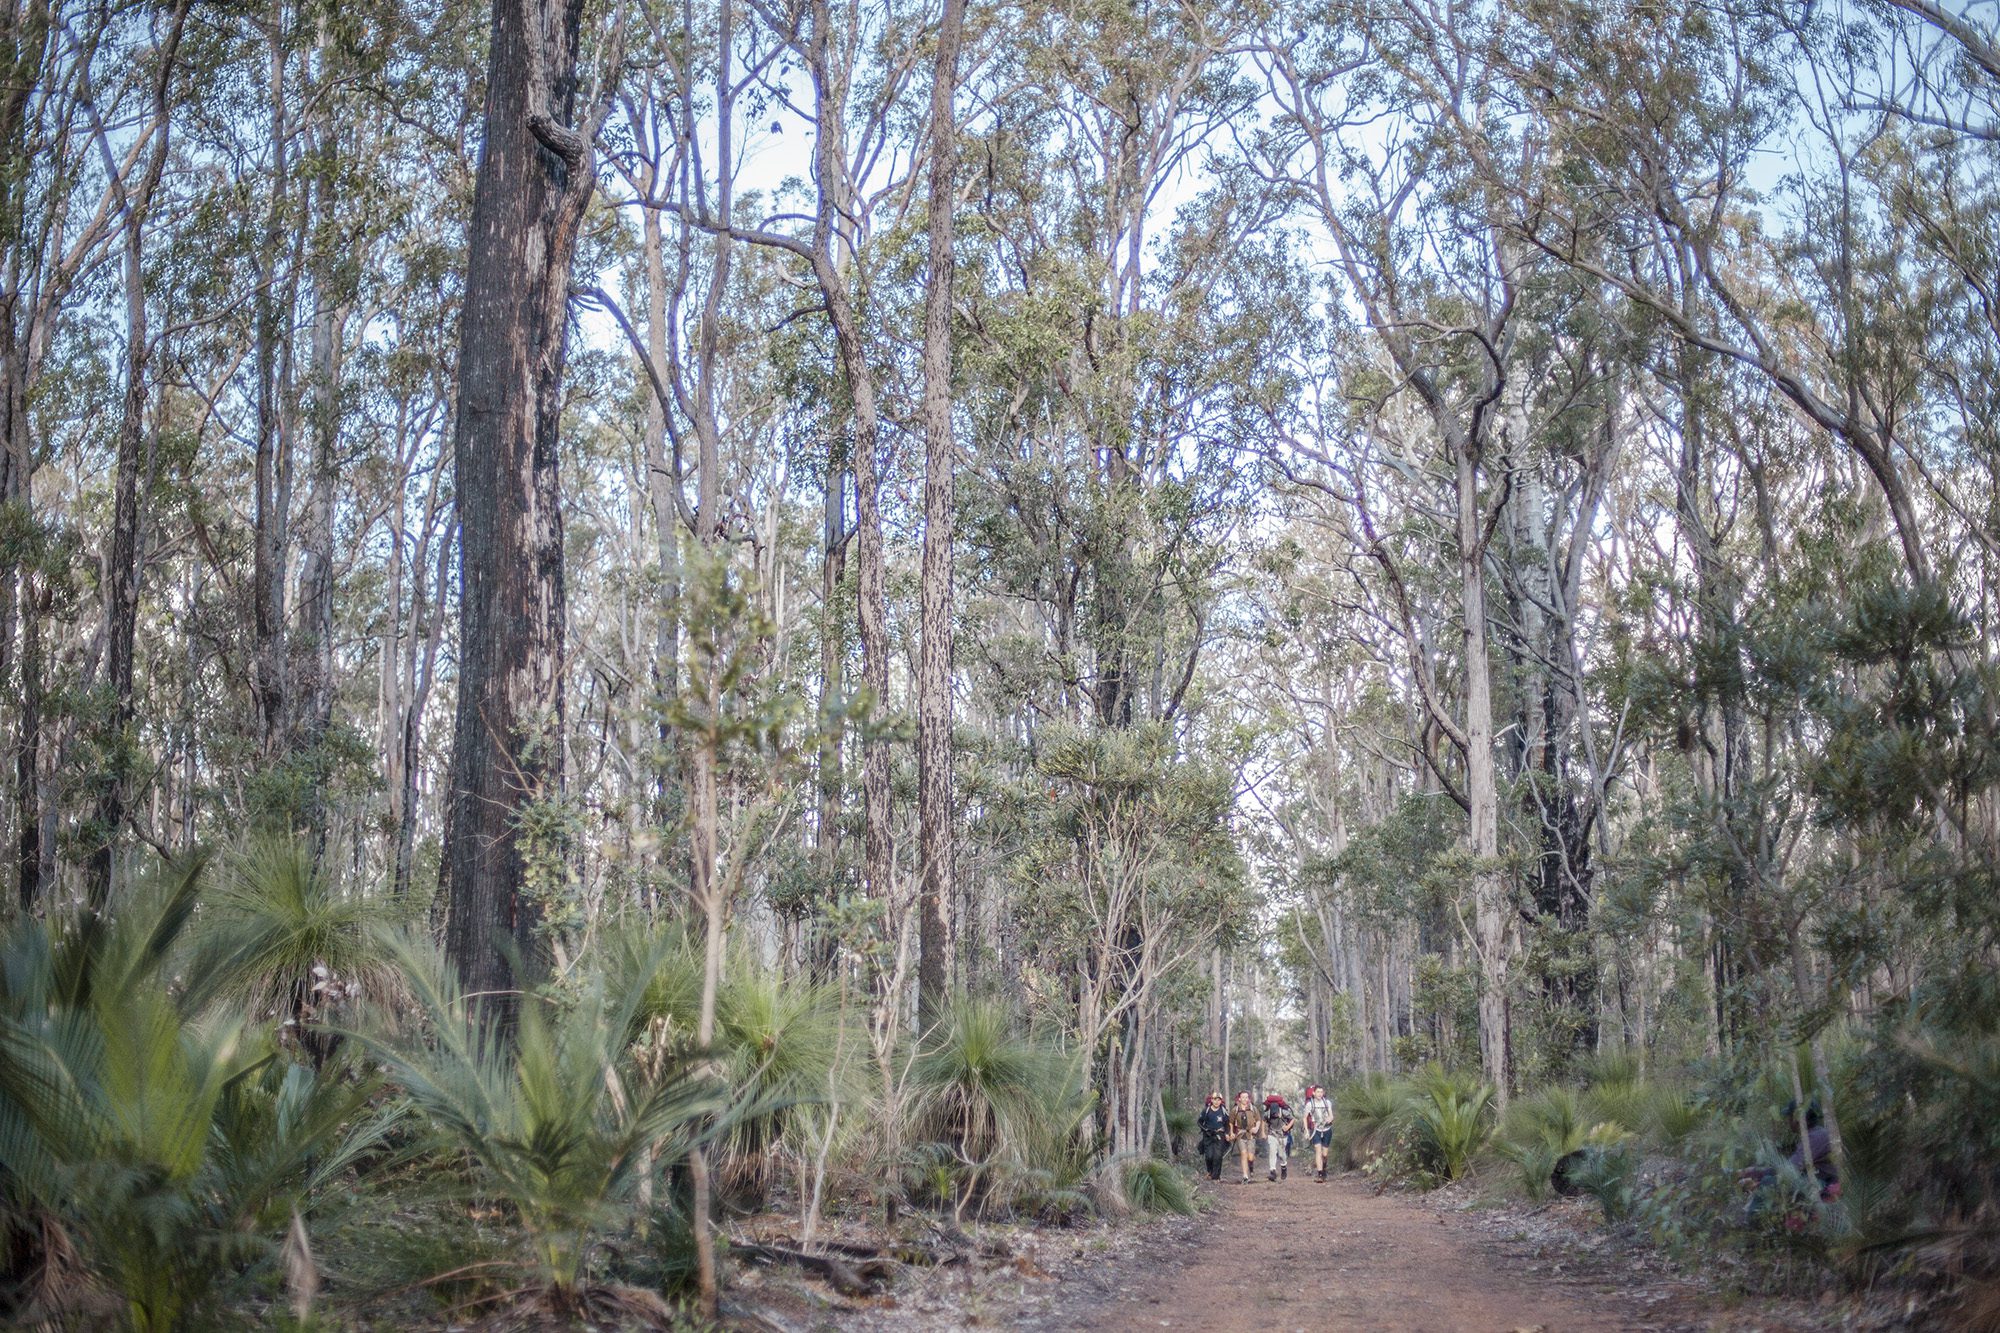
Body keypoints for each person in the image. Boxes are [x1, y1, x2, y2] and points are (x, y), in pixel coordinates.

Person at [1739, 1099, 1841, 1209]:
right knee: (1769, 1180)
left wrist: (1755, 1174)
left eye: (1790, 1117)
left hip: (1824, 1185)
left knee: (1768, 1182)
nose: (1788, 1121)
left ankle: (1752, 1221)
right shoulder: (1816, 1134)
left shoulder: (1814, 1138)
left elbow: (1789, 1170)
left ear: (1797, 1119)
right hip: (1819, 1181)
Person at [1227, 1091, 1263, 1183]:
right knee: (1243, 1154)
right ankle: (1245, 1176)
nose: (1245, 1099)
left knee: (1250, 1157)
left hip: (1251, 1135)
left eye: (1246, 1097)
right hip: (1240, 1134)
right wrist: (1231, 1132)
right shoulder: (1235, 1110)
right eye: (1243, 1097)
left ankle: (1251, 1165)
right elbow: (1231, 1122)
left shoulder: (1253, 1108)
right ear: (1239, 1098)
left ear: (1249, 1098)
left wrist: (1256, 1128)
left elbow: (1259, 1120)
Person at [1302, 1083, 1335, 1182]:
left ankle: (1324, 1169)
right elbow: (1304, 1118)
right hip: (1316, 1130)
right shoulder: (1310, 1104)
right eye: (1318, 1092)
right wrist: (1307, 1131)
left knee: (1325, 1154)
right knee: (1318, 1151)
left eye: (1321, 1092)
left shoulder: (1327, 1102)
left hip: (1327, 1130)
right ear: (1313, 1093)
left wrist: (1330, 1118)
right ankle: (1320, 1174)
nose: (1320, 1094)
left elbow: (1331, 1115)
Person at [1196, 1092, 1231, 1182]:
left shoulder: (1223, 1111)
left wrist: (1227, 1133)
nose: (1216, 1102)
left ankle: (1216, 1177)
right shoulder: (1206, 1110)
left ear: (1221, 1101)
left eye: (1218, 1100)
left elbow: (1227, 1123)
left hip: (1220, 1135)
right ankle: (1210, 1172)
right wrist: (1206, 1130)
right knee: (1209, 1156)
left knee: (1218, 1156)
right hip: (1208, 1136)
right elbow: (1199, 1122)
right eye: (1215, 1099)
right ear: (1211, 1100)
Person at [1262, 1092, 1294, 1181]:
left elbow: (1292, 1119)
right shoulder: (1267, 1113)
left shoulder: (1284, 1112)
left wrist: (1287, 1127)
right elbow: (1263, 1121)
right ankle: (1272, 1171)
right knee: (1272, 1151)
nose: (1274, 1114)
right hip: (1272, 1134)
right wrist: (1264, 1133)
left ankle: (1283, 1166)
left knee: (1281, 1154)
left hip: (1283, 1135)